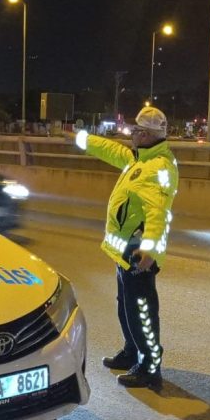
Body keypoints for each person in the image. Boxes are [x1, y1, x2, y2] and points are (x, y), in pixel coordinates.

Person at [70, 107, 178, 389]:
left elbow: (158, 210)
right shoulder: (139, 158)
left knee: (141, 311)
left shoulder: (158, 168)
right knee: (127, 307)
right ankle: (132, 351)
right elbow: (110, 150)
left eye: (135, 131)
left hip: (139, 255)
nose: (130, 135)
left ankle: (149, 367)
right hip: (125, 253)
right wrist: (80, 138)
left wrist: (148, 249)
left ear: (146, 134)